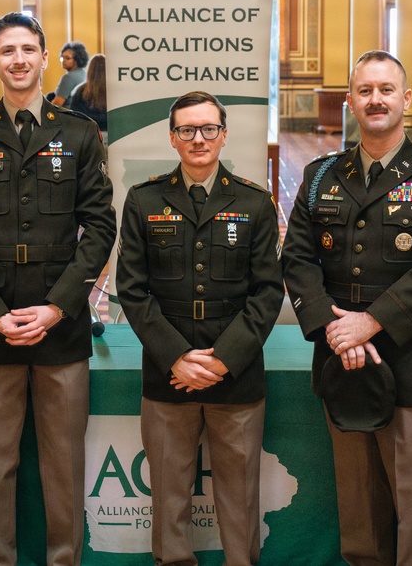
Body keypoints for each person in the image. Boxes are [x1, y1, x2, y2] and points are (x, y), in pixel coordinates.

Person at [282, 50, 412, 565]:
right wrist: (331, 326)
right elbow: (297, 257)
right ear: (349, 100)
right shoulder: (322, 175)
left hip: (410, 364)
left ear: (406, 100)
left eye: (386, 90)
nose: (375, 100)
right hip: (339, 358)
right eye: (365, 90)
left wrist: (369, 323)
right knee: (357, 499)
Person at [0, 12, 115, 566]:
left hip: (60, 329)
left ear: (45, 59)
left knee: (63, 465)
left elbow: (101, 228)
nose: (18, 59)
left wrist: (60, 307)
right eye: (7, 50)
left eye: (28, 49)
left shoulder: (79, 133)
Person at [116, 91, 284, 566]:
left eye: (208, 128)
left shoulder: (253, 202)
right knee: (168, 499)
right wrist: (177, 358)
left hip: (236, 374)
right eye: (187, 130)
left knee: (239, 499)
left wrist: (221, 360)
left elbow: (267, 293)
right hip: (168, 376)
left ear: (224, 135)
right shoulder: (144, 200)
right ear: (172, 138)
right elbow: (132, 289)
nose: (198, 138)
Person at [68, 53, 107, 139]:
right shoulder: (115, 91)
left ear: (90, 71)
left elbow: (75, 117)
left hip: (89, 136)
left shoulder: (80, 91)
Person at [52, 40, 89, 107]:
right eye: (62, 58)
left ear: (76, 60)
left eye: (67, 58)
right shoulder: (85, 74)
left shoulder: (68, 77)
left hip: (66, 114)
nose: (64, 61)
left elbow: (57, 103)